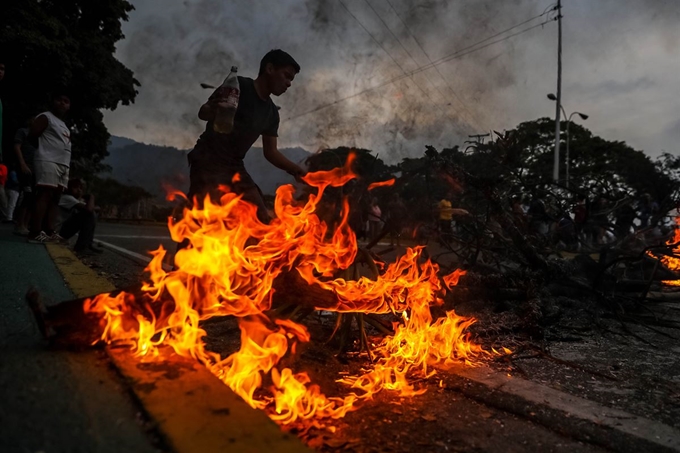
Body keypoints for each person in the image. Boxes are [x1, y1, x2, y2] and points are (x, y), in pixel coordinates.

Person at [186, 49, 306, 223]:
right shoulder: (238, 86)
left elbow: (271, 152)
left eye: (291, 80)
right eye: (286, 76)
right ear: (270, 69)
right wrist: (211, 109)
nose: (288, 83)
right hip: (207, 160)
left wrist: (296, 169)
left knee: (260, 218)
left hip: (234, 166)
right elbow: (203, 113)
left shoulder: (272, 113)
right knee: (201, 219)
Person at [27, 90, 72, 243]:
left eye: (66, 101)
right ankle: (34, 232)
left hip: (63, 164)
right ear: (53, 101)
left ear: (69, 106)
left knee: (56, 198)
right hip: (48, 160)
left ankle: (49, 231)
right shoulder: (46, 117)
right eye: (59, 99)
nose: (62, 103)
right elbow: (32, 136)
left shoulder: (64, 125)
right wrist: (44, 152)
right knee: (44, 195)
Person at [58, 178, 102, 255]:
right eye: (76, 187)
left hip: (61, 231)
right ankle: (81, 247)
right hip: (57, 232)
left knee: (91, 213)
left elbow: (97, 208)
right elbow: (89, 209)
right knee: (89, 214)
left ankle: (88, 244)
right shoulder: (67, 197)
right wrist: (91, 197)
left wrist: (90, 206)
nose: (79, 190)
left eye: (80, 188)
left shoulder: (73, 199)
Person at [12, 117, 37, 235]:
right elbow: (17, 146)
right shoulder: (23, 131)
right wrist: (22, 163)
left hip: (35, 169)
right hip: (25, 166)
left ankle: (26, 225)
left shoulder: (38, 137)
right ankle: (19, 224)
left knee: (33, 197)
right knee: (26, 193)